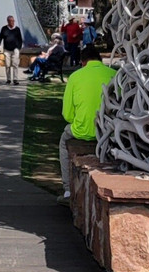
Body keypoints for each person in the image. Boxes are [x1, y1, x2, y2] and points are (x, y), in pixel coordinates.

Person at [58, 44, 116, 203]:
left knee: (64, 142)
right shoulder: (114, 75)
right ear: (100, 60)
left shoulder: (76, 77)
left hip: (82, 130)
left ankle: (68, 190)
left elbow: (67, 114)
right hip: (108, 132)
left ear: (83, 62)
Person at [0, 15, 23, 85]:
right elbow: (0, 38)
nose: (12, 22)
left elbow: (20, 39)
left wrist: (18, 47)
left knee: (15, 64)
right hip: (7, 49)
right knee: (7, 65)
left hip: (15, 49)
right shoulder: (4, 29)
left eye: (13, 21)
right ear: (8, 21)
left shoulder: (17, 29)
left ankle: (15, 79)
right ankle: (8, 79)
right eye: (11, 21)